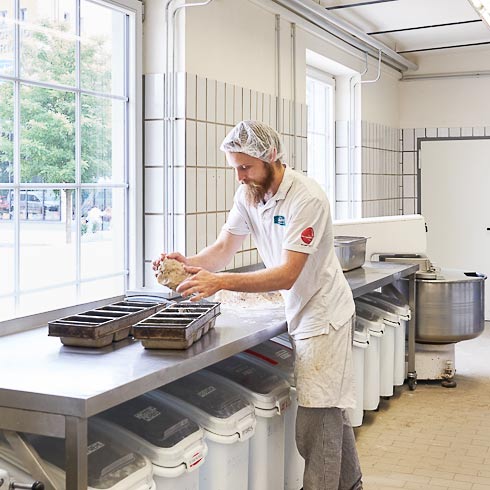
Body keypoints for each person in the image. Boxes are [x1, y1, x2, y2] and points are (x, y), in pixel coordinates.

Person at [153, 120, 363, 490]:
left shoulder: (306, 198)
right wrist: (188, 264)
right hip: (298, 307)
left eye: (245, 167)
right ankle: (352, 484)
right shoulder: (249, 195)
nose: (239, 176)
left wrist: (219, 282)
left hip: (323, 312)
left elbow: (287, 274)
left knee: (317, 420)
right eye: (235, 167)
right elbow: (221, 251)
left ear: (271, 157)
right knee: (329, 408)